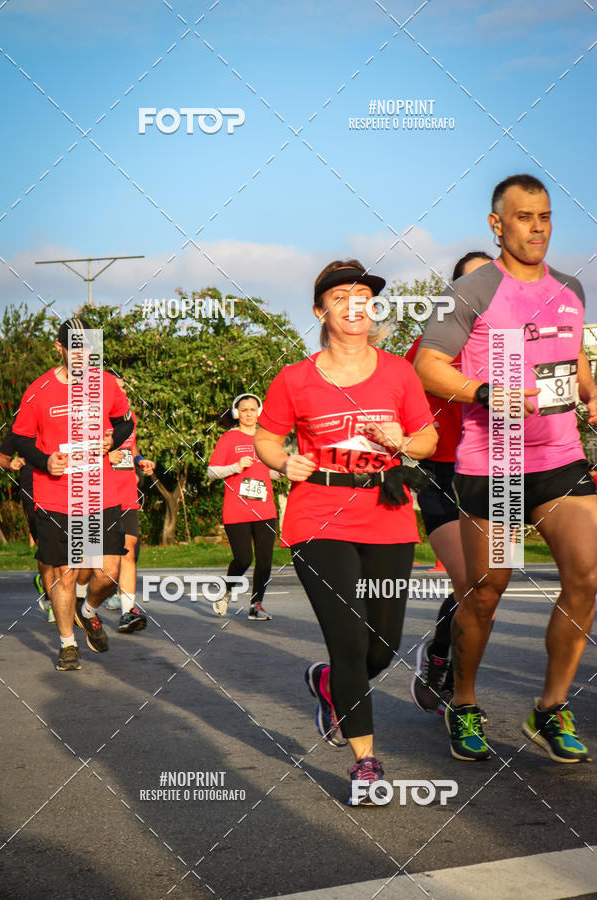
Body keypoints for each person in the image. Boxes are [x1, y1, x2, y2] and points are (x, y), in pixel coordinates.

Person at [415, 174, 597, 763]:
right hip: (492, 464)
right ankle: (463, 703)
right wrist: (484, 390)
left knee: (588, 575)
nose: (537, 227)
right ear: (498, 225)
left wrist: (592, 399)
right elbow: (427, 364)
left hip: (560, 457)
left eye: (545, 216)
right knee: (488, 590)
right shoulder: (471, 290)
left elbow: (575, 367)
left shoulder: (570, 288)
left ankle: (549, 708)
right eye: (524, 217)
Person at [255, 259, 437, 805]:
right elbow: (266, 438)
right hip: (318, 516)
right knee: (350, 642)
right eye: (341, 296)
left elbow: (427, 441)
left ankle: (330, 684)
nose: (356, 303)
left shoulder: (399, 374)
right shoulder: (295, 378)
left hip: (388, 512)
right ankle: (366, 763)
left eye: (364, 294)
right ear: (321, 311)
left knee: (383, 646)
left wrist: (401, 440)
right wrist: (283, 462)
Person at [12, 318, 133, 671]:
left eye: (89, 348)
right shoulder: (38, 390)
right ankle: (67, 644)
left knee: (108, 572)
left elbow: (125, 421)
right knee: (64, 572)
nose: (84, 355)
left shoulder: (106, 384)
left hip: (98, 492)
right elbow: (20, 437)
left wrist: (115, 438)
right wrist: (44, 461)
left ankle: (89, 610)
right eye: (76, 348)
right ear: (60, 348)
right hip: (55, 496)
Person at [406, 252, 493, 715]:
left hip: (500, 472)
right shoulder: (429, 344)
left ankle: (439, 651)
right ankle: (451, 680)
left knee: (489, 586)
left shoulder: (513, 343)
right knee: (467, 581)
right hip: (441, 469)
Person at [207, 394, 280, 620]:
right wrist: (236, 466)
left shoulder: (266, 439)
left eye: (252, 409)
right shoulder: (229, 438)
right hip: (237, 509)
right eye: (244, 410)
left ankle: (256, 605)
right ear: (237, 413)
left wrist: (282, 471)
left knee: (266, 560)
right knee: (243, 559)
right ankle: (226, 592)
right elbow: (212, 471)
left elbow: (268, 472)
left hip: (265, 508)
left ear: (259, 412)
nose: (249, 413)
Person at [101, 373, 153, 633]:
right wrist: (105, 458)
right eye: (116, 389)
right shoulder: (93, 417)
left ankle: (127, 612)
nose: (121, 393)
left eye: (123, 389)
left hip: (126, 492)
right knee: (94, 564)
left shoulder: (129, 417)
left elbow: (131, 448)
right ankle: (79, 604)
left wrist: (140, 460)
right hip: (99, 494)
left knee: (129, 550)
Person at [0, 428, 56, 622]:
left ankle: (60, 592)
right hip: (33, 493)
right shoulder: (22, 422)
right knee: (47, 549)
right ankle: (54, 601)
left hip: (67, 489)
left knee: (75, 549)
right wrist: (10, 464)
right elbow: (1, 457)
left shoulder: (65, 413)